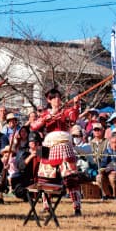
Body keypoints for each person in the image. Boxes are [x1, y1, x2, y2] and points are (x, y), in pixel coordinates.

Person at [31, 88, 82, 216]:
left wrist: (76, 105)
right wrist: (47, 118)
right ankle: (46, 205)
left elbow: (73, 118)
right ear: (49, 100)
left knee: (71, 177)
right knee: (44, 177)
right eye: (54, 98)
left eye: (58, 97)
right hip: (47, 144)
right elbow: (34, 126)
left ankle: (77, 207)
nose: (57, 100)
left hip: (64, 143)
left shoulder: (65, 111)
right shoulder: (44, 113)